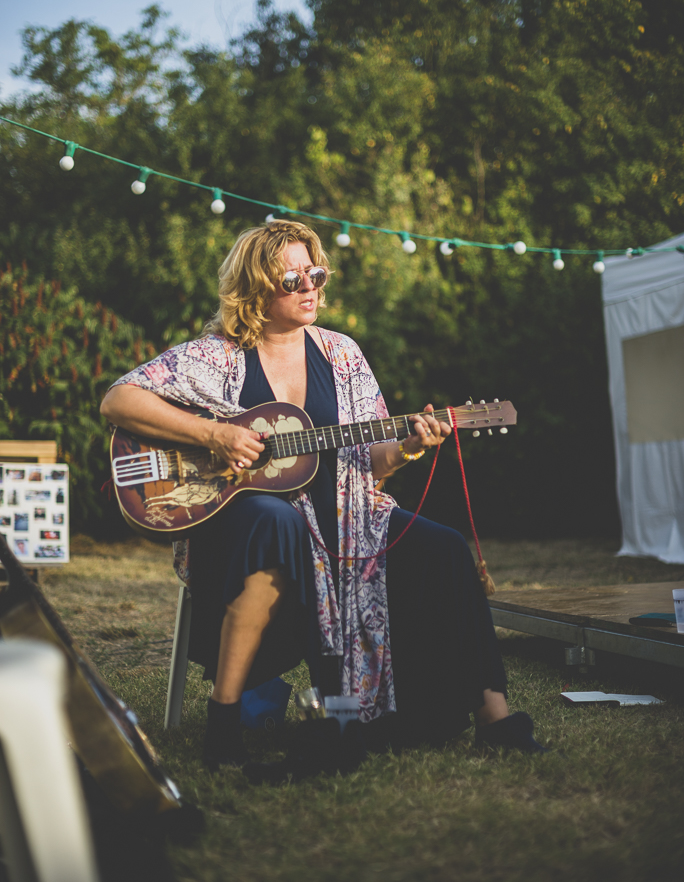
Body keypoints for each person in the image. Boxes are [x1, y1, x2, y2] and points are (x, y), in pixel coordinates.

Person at [101, 220, 545, 770]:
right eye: (294, 278)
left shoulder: (342, 355)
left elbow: (373, 464)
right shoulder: (216, 357)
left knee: (445, 546)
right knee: (277, 520)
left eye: (317, 274)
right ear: (256, 285)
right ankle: (224, 723)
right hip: (247, 523)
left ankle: (496, 721)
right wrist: (214, 434)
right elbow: (119, 401)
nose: (310, 286)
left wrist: (408, 445)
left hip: (343, 517)